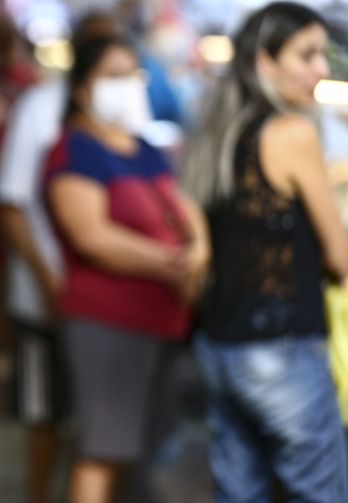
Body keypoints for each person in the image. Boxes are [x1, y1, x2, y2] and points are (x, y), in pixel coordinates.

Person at [182, 3, 348, 501]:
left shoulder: (215, 131)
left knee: (239, 492)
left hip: (220, 343)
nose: (323, 69)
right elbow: (340, 258)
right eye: (308, 55)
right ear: (265, 63)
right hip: (283, 350)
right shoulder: (293, 133)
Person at [42, 35, 209, 503]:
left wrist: (200, 243)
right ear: (82, 88)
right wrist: (173, 261)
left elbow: (181, 202)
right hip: (107, 324)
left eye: (132, 75)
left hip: (158, 322)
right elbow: (91, 237)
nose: (127, 86)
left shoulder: (141, 145)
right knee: (101, 450)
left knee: (135, 451)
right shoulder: (76, 149)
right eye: (112, 76)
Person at [0, 14, 120, 503]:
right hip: (47, 296)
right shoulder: (40, 108)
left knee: (103, 423)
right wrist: (47, 280)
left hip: (109, 304)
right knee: (45, 413)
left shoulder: (122, 116)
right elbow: (11, 203)